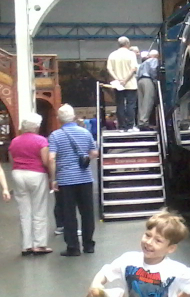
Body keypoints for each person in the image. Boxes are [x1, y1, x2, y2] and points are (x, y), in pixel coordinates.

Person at [48, 104, 98, 256]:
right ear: (74, 117)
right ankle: (89, 245)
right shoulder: (85, 132)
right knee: (87, 213)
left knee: (69, 214)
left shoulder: (55, 136)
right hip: (84, 178)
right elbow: (94, 152)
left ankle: (73, 247)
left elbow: (51, 158)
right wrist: (86, 158)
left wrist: (53, 179)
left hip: (65, 180)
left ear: (59, 119)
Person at [8, 112, 52, 255]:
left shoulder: (15, 141)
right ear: (36, 126)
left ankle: (26, 245)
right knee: (39, 209)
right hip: (36, 174)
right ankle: (39, 244)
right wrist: (51, 176)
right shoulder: (41, 141)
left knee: (24, 210)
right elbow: (46, 161)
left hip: (18, 174)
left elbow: (11, 159)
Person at [107, 36, 139, 132]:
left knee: (120, 105)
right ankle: (130, 126)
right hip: (131, 84)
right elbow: (133, 68)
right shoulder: (131, 54)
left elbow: (109, 69)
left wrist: (117, 79)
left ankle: (121, 127)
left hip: (118, 85)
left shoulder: (112, 55)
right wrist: (125, 80)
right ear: (128, 44)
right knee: (130, 105)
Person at [137, 50, 160, 130]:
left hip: (140, 81)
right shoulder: (154, 60)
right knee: (148, 101)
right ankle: (144, 122)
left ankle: (140, 122)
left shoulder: (143, 63)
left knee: (141, 102)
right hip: (148, 80)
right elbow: (153, 70)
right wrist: (155, 81)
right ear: (157, 56)